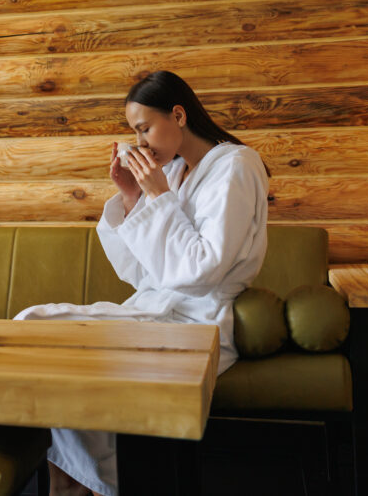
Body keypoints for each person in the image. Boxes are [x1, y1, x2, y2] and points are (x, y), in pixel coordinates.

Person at [17, 70, 270, 496]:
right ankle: (84, 481)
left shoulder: (236, 165)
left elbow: (203, 268)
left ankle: (86, 486)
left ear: (178, 114)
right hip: (154, 308)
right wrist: (134, 196)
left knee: (45, 341)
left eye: (144, 128)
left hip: (198, 322)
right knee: (31, 326)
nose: (141, 142)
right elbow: (142, 273)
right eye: (135, 132)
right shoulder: (175, 173)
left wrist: (157, 197)